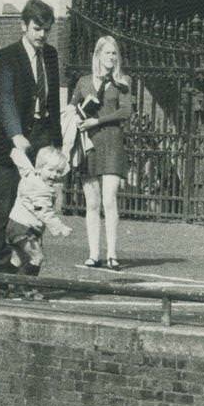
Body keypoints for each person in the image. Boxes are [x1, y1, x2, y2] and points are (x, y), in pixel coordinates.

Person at [0, 0, 63, 275]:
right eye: (37, 29)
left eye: (46, 30)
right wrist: (15, 134)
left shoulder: (50, 55)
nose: (41, 35)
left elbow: (54, 100)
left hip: (39, 138)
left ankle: (28, 277)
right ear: (23, 26)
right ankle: (1, 276)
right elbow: (2, 97)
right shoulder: (7, 56)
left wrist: (56, 142)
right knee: (6, 209)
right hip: (9, 144)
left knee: (37, 209)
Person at [66, 33, 134, 271]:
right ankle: (94, 254)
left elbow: (125, 112)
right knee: (92, 202)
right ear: (98, 55)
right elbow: (71, 108)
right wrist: (77, 118)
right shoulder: (84, 82)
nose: (112, 57)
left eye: (114, 53)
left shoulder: (122, 82)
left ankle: (112, 254)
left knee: (109, 200)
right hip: (89, 145)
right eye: (107, 52)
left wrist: (96, 121)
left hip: (112, 143)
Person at [2, 144, 73, 276]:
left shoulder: (30, 175)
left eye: (59, 172)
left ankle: (3, 285)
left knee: (18, 259)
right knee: (37, 257)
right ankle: (25, 288)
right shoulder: (40, 189)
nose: (54, 175)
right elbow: (43, 211)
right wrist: (59, 227)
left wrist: (17, 150)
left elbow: (23, 165)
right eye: (51, 170)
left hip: (14, 225)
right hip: (24, 229)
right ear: (40, 168)